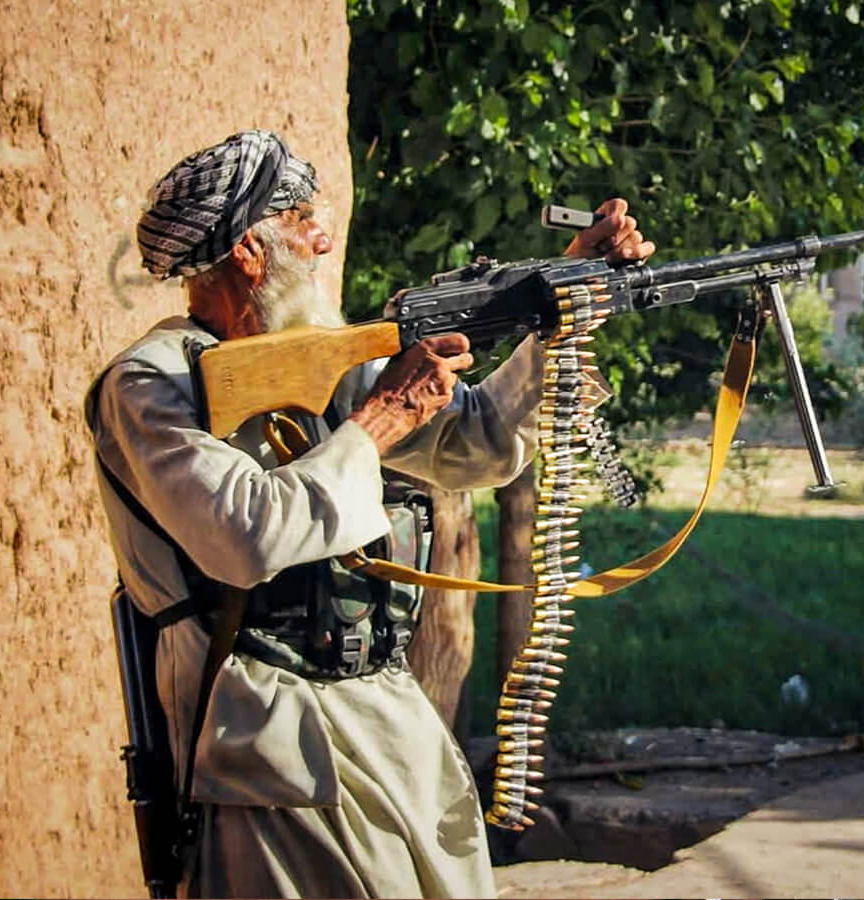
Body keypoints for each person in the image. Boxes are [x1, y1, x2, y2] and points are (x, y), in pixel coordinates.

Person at [85, 129, 654, 898]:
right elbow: (244, 536)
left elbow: (480, 443)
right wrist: (382, 418)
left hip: (384, 713)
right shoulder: (148, 386)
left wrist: (569, 302)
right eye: (302, 222)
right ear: (248, 251)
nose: (323, 241)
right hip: (267, 741)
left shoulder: (317, 353)